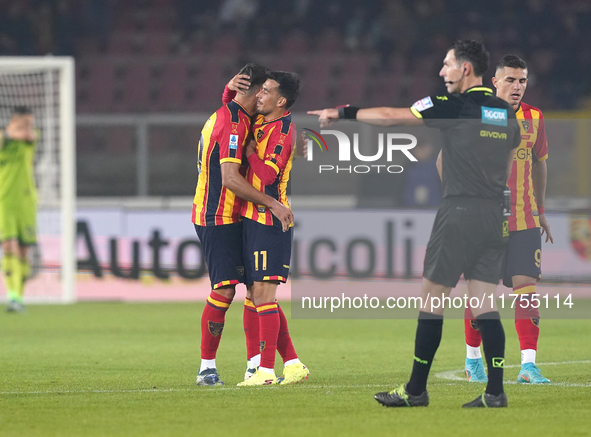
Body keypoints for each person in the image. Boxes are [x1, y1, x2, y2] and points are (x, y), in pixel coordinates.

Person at [309, 40, 520, 407]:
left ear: (465, 69)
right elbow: (504, 160)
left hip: (459, 213)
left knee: (432, 299)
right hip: (494, 216)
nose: (442, 72)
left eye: (447, 64)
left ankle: (416, 390)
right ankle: (495, 392)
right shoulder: (504, 112)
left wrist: (343, 112)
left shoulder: (454, 105)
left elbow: (393, 116)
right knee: (486, 304)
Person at [192, 63, 292, 386]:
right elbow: (231, 179)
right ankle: (207, 368)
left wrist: (227, 88)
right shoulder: (233, 124)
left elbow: (236, 102)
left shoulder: (238, 114)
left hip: (239, 216)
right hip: (217, 215)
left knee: (256, 290)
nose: (264, 95)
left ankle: (256, 366)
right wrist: (272, 203)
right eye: (262, 90)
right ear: (254, 92)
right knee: (223, 290)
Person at [461, 55, 553, 385]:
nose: (517, 86)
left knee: (526, 291)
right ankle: (473, 360)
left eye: (523, 81)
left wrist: (540, 212)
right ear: (495, 82)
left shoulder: (535, 117)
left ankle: (528, 365)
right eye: (511, 80)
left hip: (525, 219)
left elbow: (539, 163)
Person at [223, 72, 310, 385]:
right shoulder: (261, 121)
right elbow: (231, 114)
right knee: (257, 294)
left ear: (281, 100)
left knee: (263, 294)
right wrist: (228, 90)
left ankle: (265, 371)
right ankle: (293, 364)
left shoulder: (284, 130)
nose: (259, 95)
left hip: (272, 219)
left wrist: (246, 152)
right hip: (251, 216)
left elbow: (266, 176)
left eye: (267, 91)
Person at [0, 106, 38, 313]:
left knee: (24, 250)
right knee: (8, 247)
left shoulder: (30, 136)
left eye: (31, 122)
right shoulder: (4, 139)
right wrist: (10, 130)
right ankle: (12, 295)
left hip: (26, 200)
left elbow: (27, 135)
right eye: (25, 121)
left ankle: (19, 297)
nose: (29, 126)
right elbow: (8, 135)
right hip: (4, 200)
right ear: (15, 119)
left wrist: (19, 128)